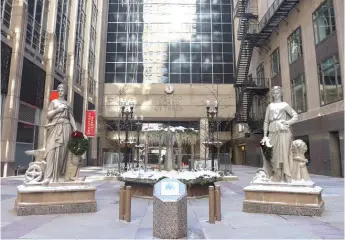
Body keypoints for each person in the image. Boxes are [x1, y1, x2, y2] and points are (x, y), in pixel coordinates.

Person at [42, 84, 78, 184]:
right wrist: (58, 110)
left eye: (62, 90)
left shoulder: (68, 104)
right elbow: (49, 115)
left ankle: (59, 175)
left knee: (63, 152)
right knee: (51, 151)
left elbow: (71, 117)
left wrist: (75, 129)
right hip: (55, 126)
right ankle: (48, 177)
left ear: (65, 92)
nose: (61, 92)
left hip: (66, 127)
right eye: (59, 90)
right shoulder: (54, 102)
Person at [260, 86, 298, 182]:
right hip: (272, 131)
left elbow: (295, 116)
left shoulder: (284, 105)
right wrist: (265, 135)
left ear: (281, 93)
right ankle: (275, 173)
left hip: (283, 131)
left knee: (284, 153)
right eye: (274, 93)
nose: (275, 94)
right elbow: (266, 121)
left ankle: (285, 175)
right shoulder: (270, 106)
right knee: (272, 154)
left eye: (277, 92)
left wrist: (288, 122)